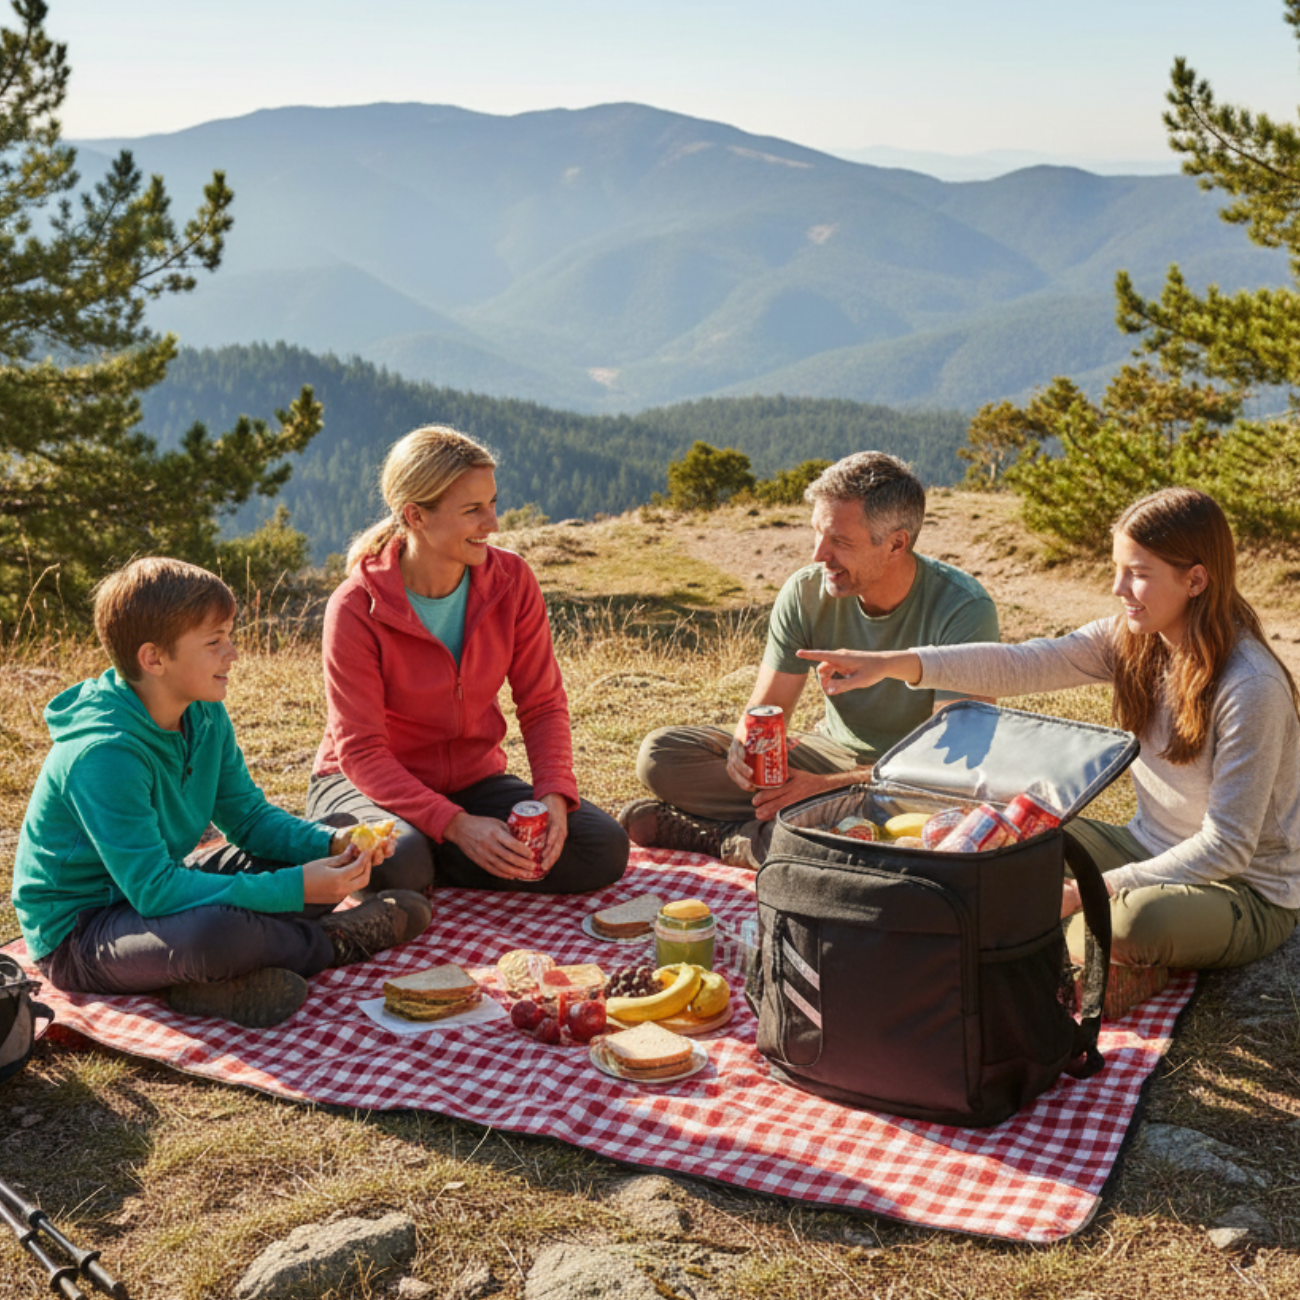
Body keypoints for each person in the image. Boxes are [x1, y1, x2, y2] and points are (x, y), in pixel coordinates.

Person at [799, 487, 1300, 975]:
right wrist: (890, 664)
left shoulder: (1250, 686)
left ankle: (1060, 938)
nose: (1118, 589)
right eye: (1117, 570)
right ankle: (1028, 928)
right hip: (1146, 845)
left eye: (1138, 574)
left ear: (1195, 580)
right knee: (1004, 836)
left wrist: (1087, 891)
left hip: (1247, 889)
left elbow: (1228, 847)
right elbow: (1021, 664)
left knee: (1122, 925)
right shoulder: (1131, 641)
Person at [13, 558, 433, 1030]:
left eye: (229, 637)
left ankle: (210, 984)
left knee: (330, 832)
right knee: (217, 933)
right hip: (82, 933)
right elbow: (154, 891)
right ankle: (332, 941)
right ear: (154, 659)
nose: (233, 653)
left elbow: (249, 820)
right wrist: (295, 888)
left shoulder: (203, 713)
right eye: (215, 643)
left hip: (159, 888)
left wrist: (331, 847)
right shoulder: (102, 754)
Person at [618, 451, 999, 865]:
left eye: (840, 541)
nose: (819, 554)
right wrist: (745, 749)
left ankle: (736, 840)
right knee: (661, 754)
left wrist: (823, 787)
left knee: (938, 823)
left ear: (895, 543)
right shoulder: (805, 593)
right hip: (828, 753)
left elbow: (945, 766)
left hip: (913, 784)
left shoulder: (963, 610)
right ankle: (802, 831)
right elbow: (768, 710)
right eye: (817, 534)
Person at [305, 425, 629, 896]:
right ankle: (411, 852)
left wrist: (554, 795)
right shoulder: (357, 606)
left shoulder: (512, 581)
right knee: (403, 863)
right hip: (362, 784)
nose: (493, 523)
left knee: (600, 847)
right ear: (416, 516)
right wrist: (456, 826)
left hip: (472, 781)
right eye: (473, 511)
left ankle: (432, 858)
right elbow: (362, 753)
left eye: (493, 503)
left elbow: (542, 704)